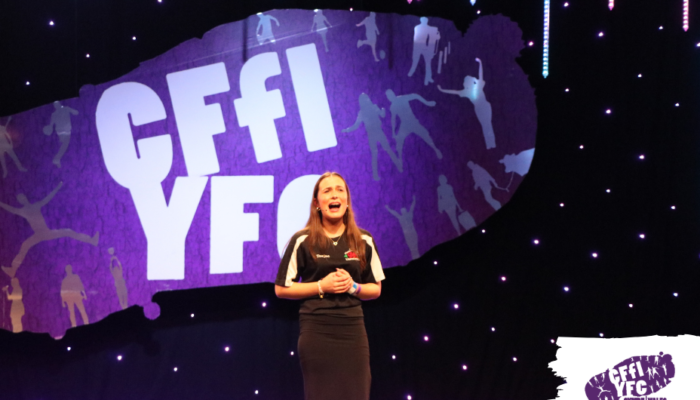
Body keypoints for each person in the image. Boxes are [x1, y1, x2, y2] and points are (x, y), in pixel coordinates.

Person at [275, 172, 385, 400]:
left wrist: (354, 287)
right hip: (316, 331)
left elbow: (375, 289)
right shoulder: (302, 240)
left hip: (353, 331)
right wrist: (321, 286)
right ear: (317, 203)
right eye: (327, 191)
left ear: (347, 200)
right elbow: (281, 289)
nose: (334, 195)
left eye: (339, 190)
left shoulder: (363, 240)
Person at [438, 58, 496, 149]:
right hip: (480, 109)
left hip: (485, 107)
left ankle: (491, 144)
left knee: (487, 125)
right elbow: (455, 92)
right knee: (486, 125)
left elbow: (480, 75)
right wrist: (442, 90)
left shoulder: (477, 87)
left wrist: (480, 63)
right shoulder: (469, 91)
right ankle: (490, 144)